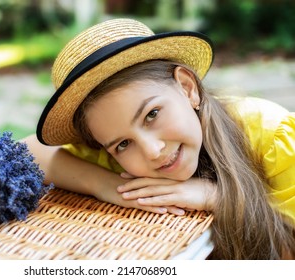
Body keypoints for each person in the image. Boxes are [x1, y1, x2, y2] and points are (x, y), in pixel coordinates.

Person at [21, 18, 295, 259]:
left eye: (151, 114)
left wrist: (220, 197)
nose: (152, 151)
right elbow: (25, 151)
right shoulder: (114, 156)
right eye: (123, 144)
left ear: (188, 88)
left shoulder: (270, 133)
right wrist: (104, 184)